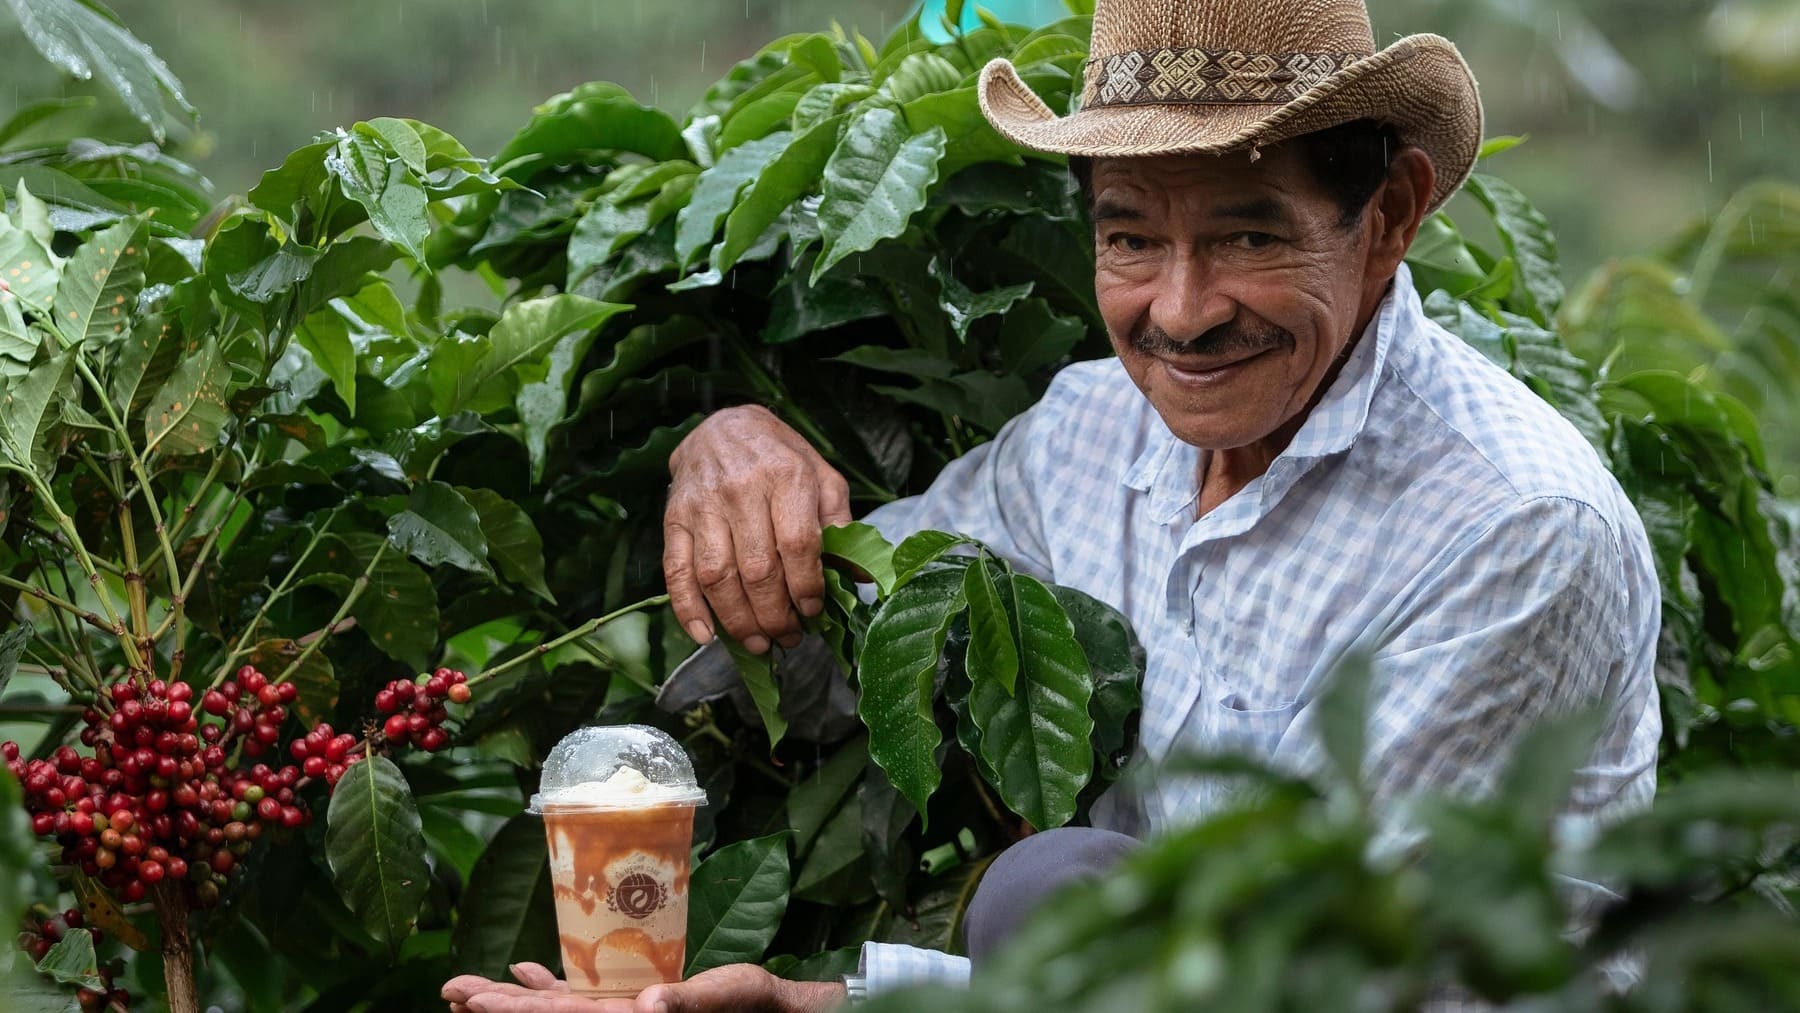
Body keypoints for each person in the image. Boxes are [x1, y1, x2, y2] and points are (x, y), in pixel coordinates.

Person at [443, 0, 1662, 1009]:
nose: (1181, 312)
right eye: (1130, 239)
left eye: (1247, 237)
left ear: (1386, 218)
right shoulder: (1089, 428)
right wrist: (732, 468)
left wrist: (820, 1005)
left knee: (1052, 883)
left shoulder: (1514, 526)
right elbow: (830, 669)